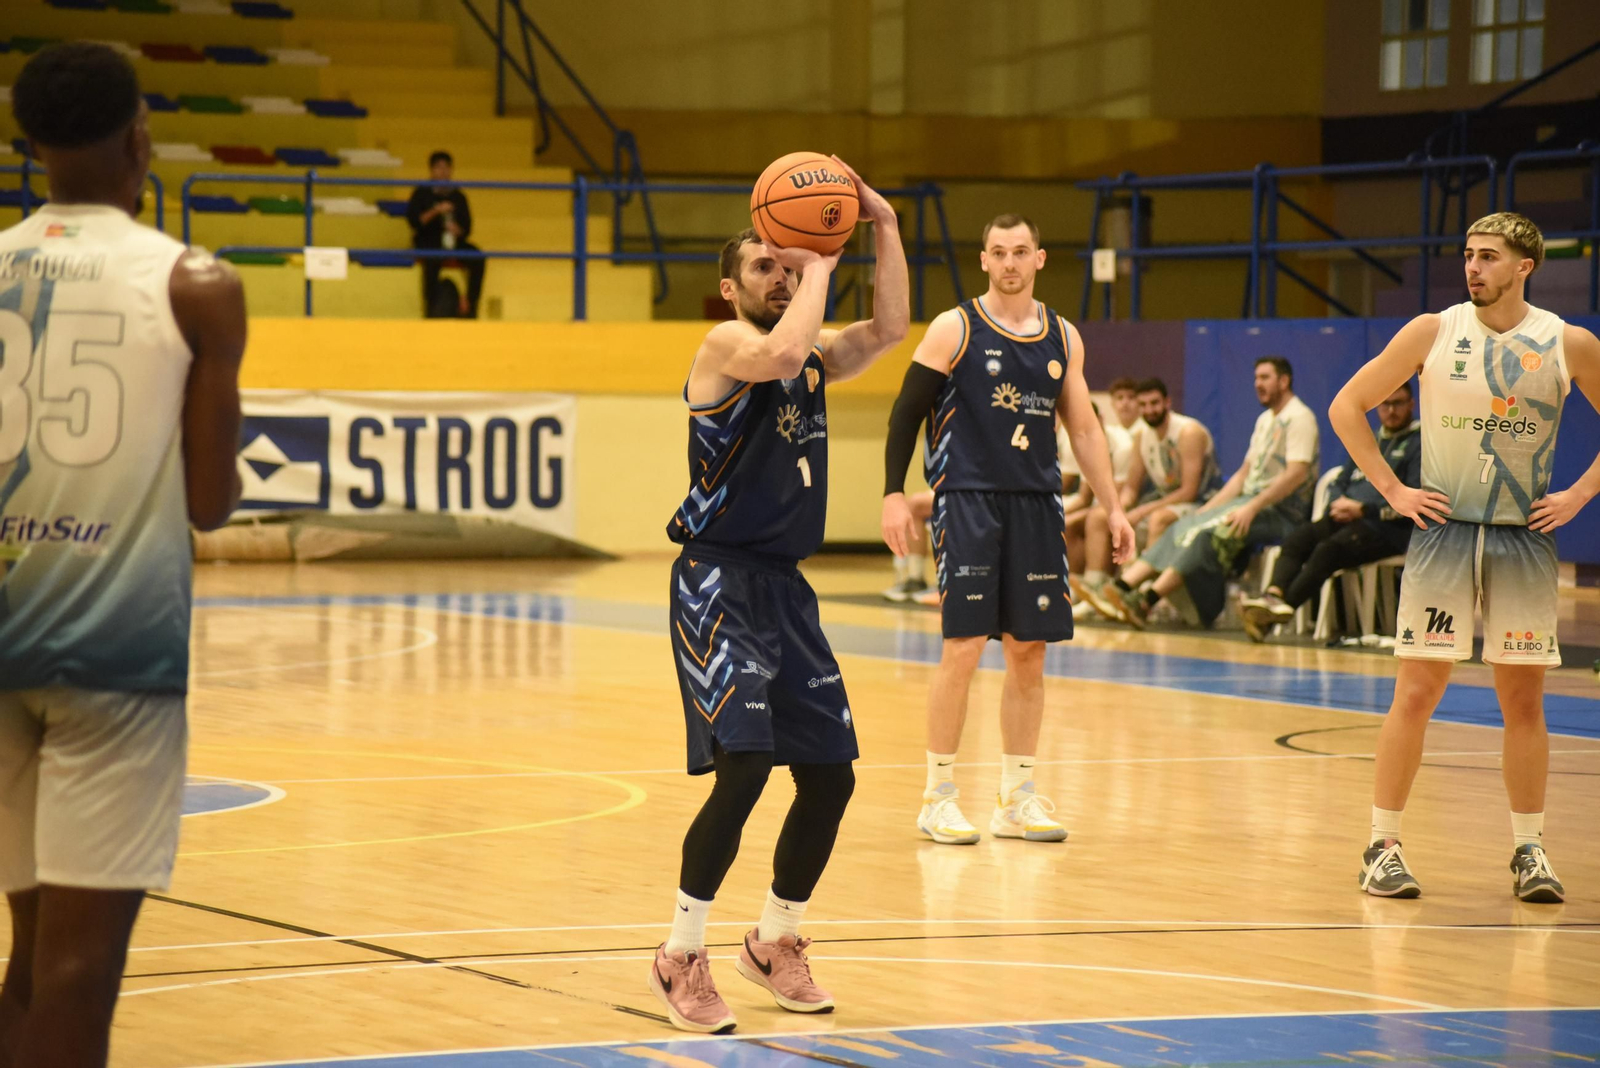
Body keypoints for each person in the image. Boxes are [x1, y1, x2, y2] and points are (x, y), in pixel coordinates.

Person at [0, 43, 246, 1068]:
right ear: (141, 138)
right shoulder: (196, 283)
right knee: (79, 968)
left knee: (27, 951)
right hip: (116, 655)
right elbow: (209, 500)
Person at [654, 158, 907, 1033]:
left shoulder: (811, 357)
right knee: (747, 767)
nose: (781, 271)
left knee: (831, 778)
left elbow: (891, 326)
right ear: (730, 287)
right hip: (717, 580)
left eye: (785, 260)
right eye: (764, 263)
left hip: (787, 590)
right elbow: (787, 348)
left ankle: (775, 939)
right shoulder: (729, 347)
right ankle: (682, 952)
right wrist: (821, 260)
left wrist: (881, 225)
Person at [1329, 212, 1600, 903]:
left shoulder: (1566, 342)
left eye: (1488, 257)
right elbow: (1346, 405)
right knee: (1416, 692)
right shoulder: (1433, 329)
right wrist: (1391, 488)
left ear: (1524, 267)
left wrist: (1577, 495)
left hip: (1523, 537)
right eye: (1468, 256)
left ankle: (1529, 851)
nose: (1473, 268)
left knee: (1523, 701)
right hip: (1444, 533)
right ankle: (1382, 846)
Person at [881, 213, 1134, 846]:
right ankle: (937, 795)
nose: (1011, 262)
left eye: (1022, 251)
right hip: (966, 499)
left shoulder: (1063, 337)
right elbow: (906, 414)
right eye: (999, 252)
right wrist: (892, 494)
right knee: (962, 648)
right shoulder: (954, 328)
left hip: (1036, 503)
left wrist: (1114, 507)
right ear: (985, 260)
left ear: (1040, 259)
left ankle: (1016, 796)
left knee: (1029, 652)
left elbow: (1083, 429)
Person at [1097, 357, 1318, 629]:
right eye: (1256, 378)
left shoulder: (1300, 418)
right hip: (1251, 502)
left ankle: (1146, 600)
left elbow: (1296, 473)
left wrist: (1251, 507)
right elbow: (1241, 476)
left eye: (1264, 378)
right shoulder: (1264, 420)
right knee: (1188, 524)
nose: (1257, 384)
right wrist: (1205, 511)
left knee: (1204, 534)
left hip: (1282, 512)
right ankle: (1123, 586)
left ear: (1284, 381)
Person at [1239, 382, 1420, 642]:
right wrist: (1337, 503)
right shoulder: (1373, 439)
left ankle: (1276, 613)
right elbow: (1338, 481)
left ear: (1411, 405)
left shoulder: (1418, 442)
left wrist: (1363, 509)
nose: (1390, 411)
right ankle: (1274, 596)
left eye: (1398, 403)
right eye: (1385, 404)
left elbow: (1413, 497)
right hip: (1345, 519)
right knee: (1299, 538)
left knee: (1327, 550)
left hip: (1385, 529)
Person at [1074, 377, 1221, 612]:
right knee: (1100, 517)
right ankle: (1096, 587)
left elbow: (1189, 491)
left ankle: (1145, 599)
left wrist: (1140, 510)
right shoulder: (1143, 436)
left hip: (1203, 504)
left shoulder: (1188, 432)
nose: (1149, 410)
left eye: (1154, 403)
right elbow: (1131, 487)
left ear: (1167, 402)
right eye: (1144, 405)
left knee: (1157, 519)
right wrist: (1119, 511)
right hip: (1166, 502)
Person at [1059, 378, 1140, 574]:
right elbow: (1083, 494)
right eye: (1120, 398)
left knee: (1096, 519)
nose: (1125, 403)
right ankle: (1075, 585)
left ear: (1101, 420)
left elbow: (1122, 495)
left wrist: (1113, 513)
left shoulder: (1125, 444)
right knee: (1064, 523)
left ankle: (1095, 582)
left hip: (1125, 502)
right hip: (1102, 503)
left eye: (1130, 397)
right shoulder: (1075, 441)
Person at [406, 150, 485, 318]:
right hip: (428, 240)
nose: (443, 171)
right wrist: (436, 211)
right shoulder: (421, 193)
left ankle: (471, 306)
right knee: (432, 258)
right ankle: (431, 310)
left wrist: (456, 229)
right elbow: (414, 222)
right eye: (438, 167)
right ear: (431, 170)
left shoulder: (459, 196)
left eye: (446, 167)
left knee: (478, 257)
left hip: (453, 242)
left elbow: (467, 228)